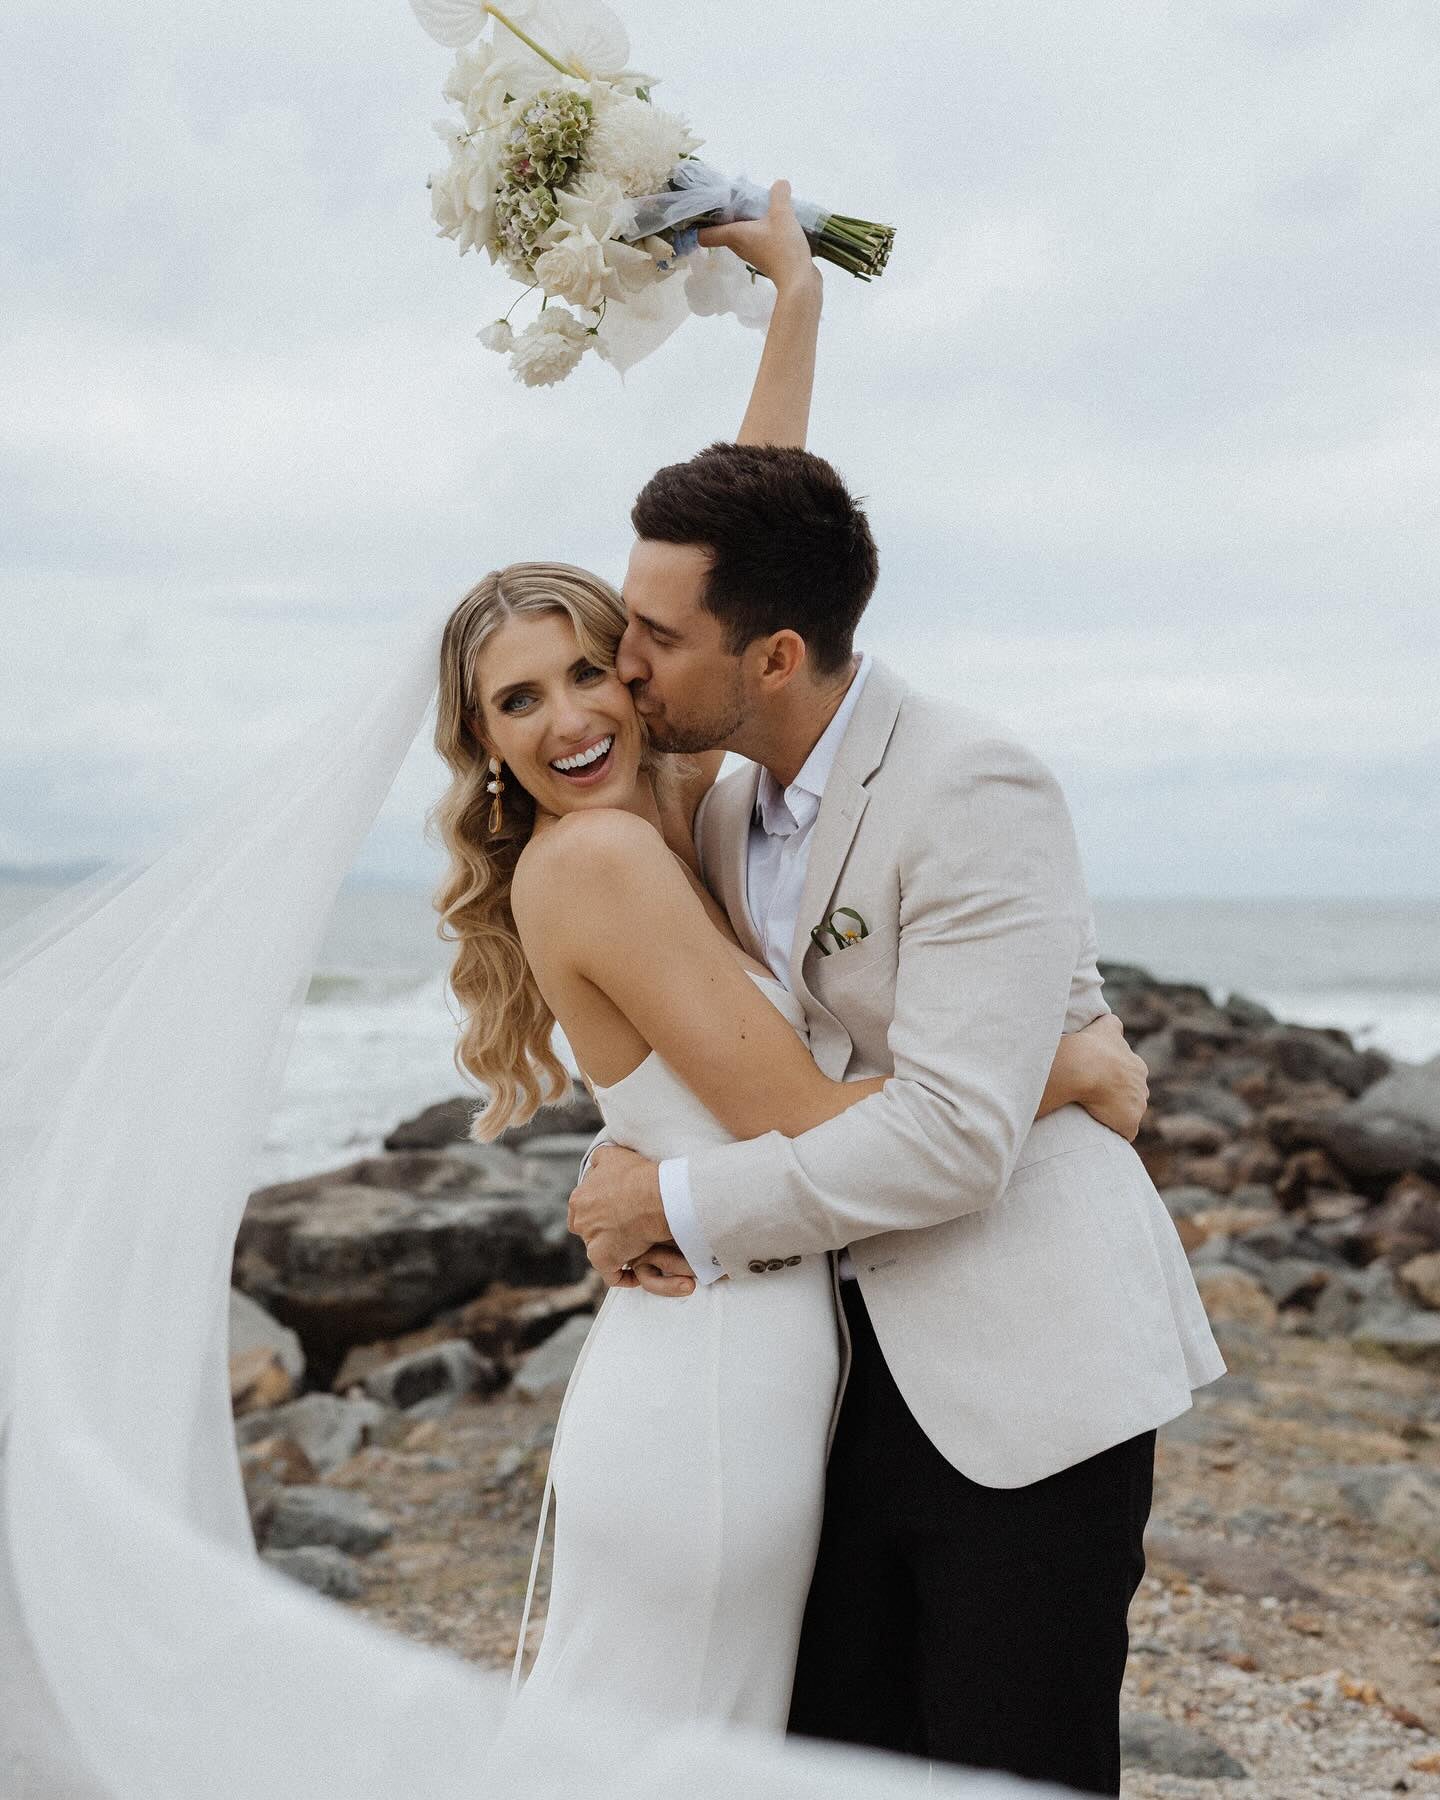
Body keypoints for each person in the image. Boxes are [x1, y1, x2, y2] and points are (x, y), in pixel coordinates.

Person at [429, 197, 1146, 1742]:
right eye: (520, 700)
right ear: (481, 746)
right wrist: (1066, 1063)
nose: (582, 706)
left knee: (728, 1735)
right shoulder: (611, 855)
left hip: (794, 1365)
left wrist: (795, 308)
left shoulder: (685, 795)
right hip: (715, 1382)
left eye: (602, 661)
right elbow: (813, 1116)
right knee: (689, 1733)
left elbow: (740, 565)